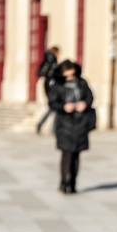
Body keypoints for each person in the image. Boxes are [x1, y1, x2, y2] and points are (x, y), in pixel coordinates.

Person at [47, 60, 94, 193]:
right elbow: (52, 102)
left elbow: (90, 97)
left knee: (76, 154)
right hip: (64, 123)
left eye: (72, 75)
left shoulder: (82, 82)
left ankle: (73, 183)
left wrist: (85, 103)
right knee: (66, 153)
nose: (70, 78)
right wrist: (63, 106)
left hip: (80, 122)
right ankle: (63, 182)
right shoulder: (57, 85)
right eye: (66, 76)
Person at [35, 46, 61, 134]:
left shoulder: (46, 59)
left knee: (53, 107)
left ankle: (42, 125)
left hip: (47, 84)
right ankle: (53, 129)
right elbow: (54, 74)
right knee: (55, 106)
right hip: (51, 85)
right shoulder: (52, 60)